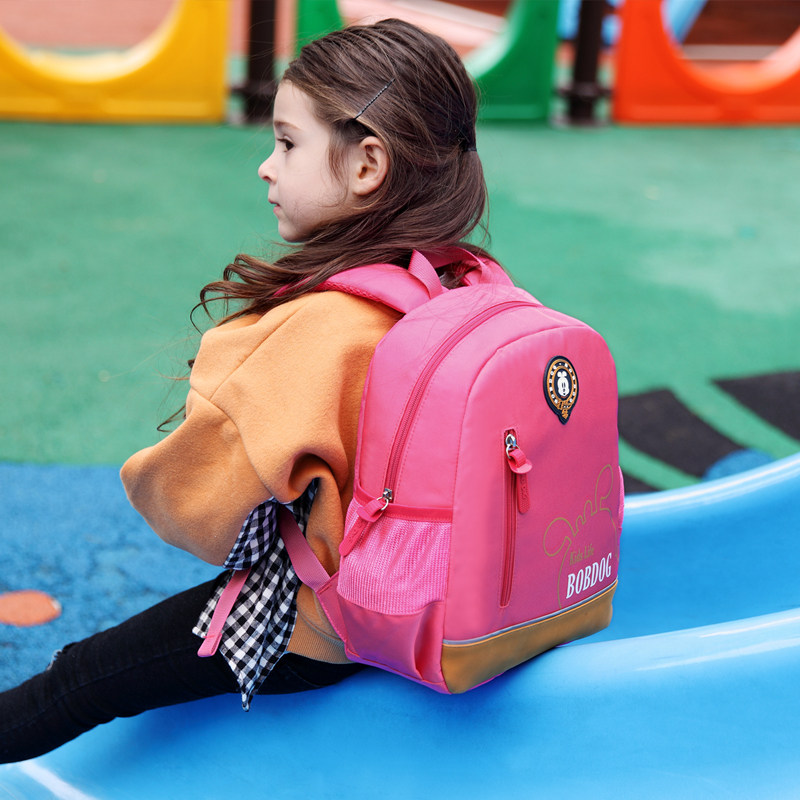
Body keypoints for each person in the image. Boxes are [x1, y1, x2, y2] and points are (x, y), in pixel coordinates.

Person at [0, 17, 500, 763]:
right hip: (454, 599)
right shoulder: (466, 285)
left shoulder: (322, 328)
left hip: (329, 627)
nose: (267, 167)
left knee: (80, 677)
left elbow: (193, 509)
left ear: (368, 165)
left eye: (288, 144)